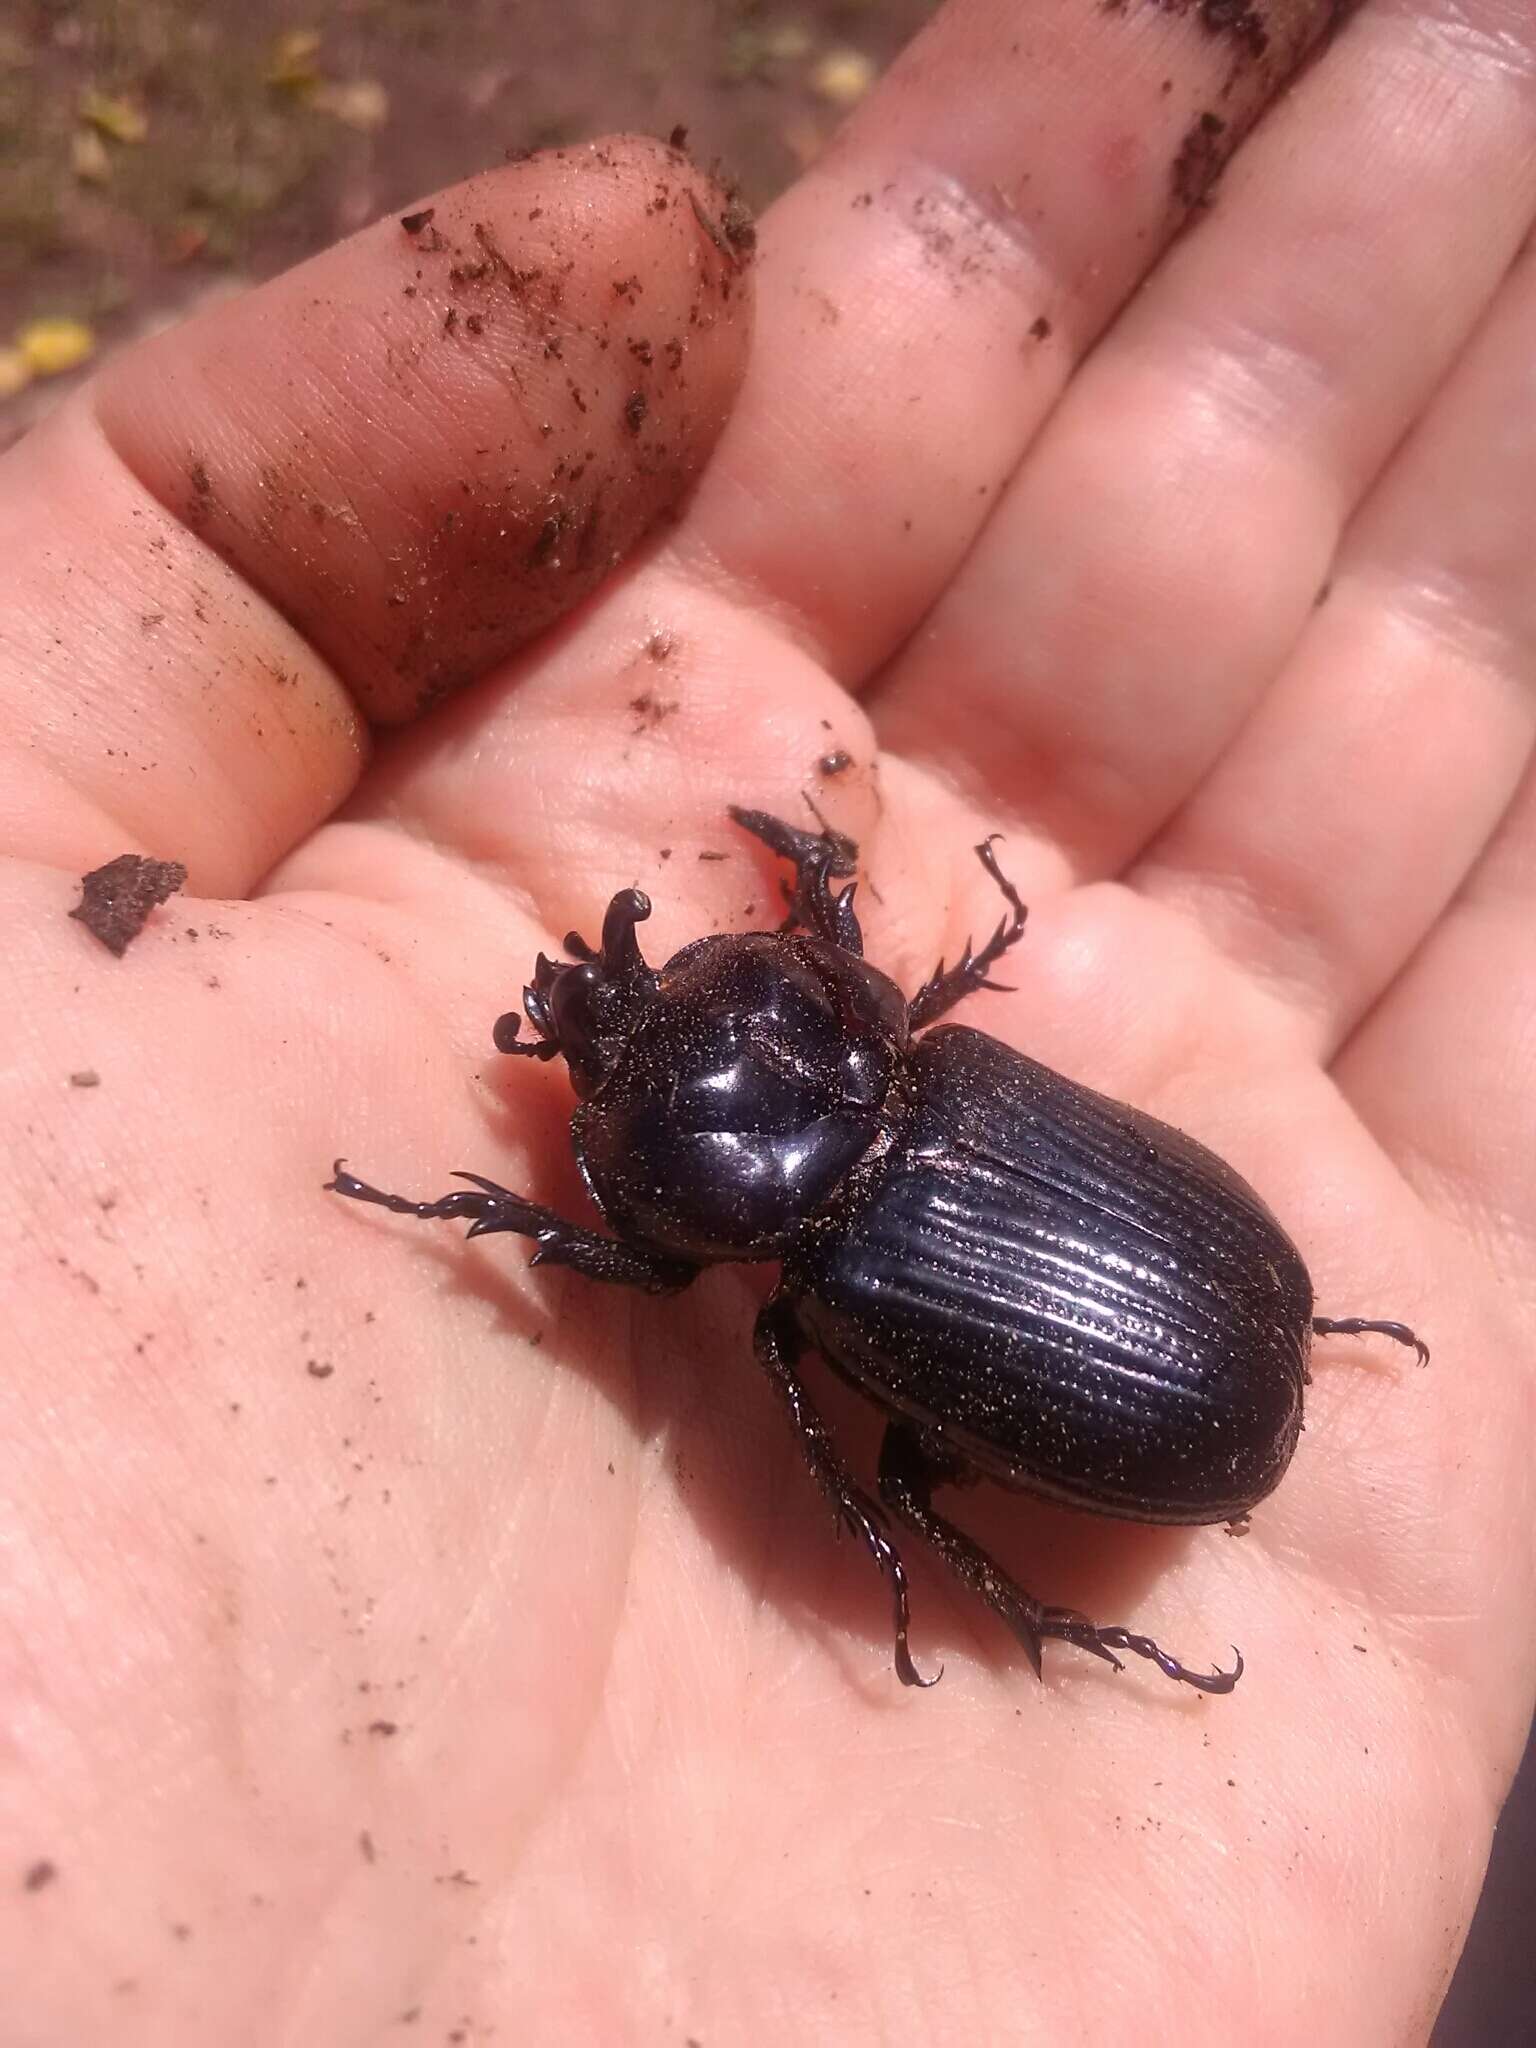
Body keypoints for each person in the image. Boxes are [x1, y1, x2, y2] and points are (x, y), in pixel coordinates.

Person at [4, 2, 1532, 2039]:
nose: (623, 1004)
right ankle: (1029, 1572)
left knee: (877, 1473)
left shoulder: (829, 1261)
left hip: (1194, 1316)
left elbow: (665, 1237)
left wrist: (489, 1200)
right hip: (1195, 1312)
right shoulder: (903, 1098)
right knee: (880, 1460)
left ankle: (1008, 1571)